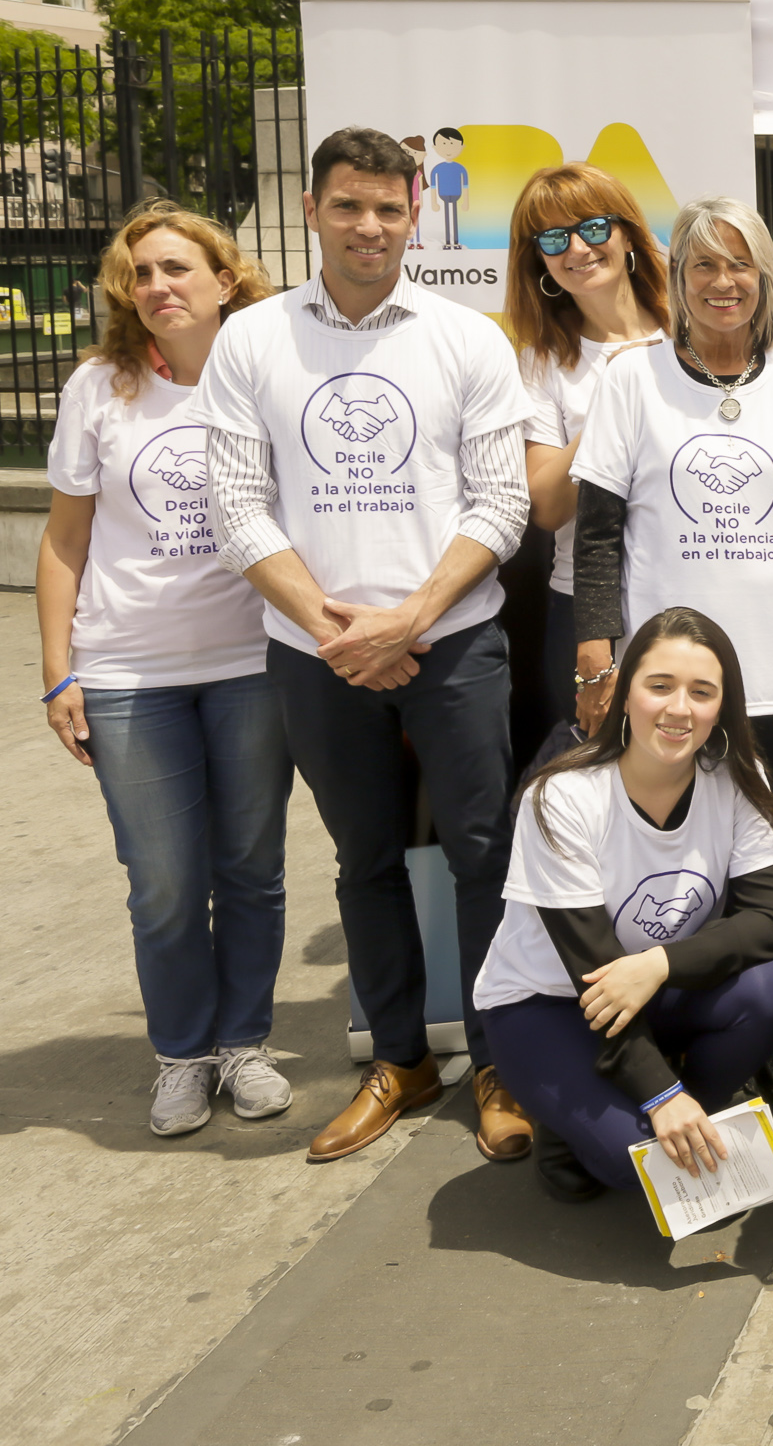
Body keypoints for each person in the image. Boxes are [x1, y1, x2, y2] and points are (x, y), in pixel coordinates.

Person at [193, 128, 538, 1166]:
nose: (370, 225)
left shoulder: (466, 337)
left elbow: (503, 501)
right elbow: (237, 505)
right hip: (314, 653)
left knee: (484, 855)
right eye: (349, 205)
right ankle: (399, 1058)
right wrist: (336, 629)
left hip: (455, 641)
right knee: (364, 861)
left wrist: (411, 617)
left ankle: (499, 1057)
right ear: (311, 209)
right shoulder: (252, 341)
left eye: (389, 208)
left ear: (414, 216)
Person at [573, 196, 773, 1135]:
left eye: (740, 266)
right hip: (666, 685)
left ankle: (766, 1043)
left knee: (765, 868)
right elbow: (598, 538)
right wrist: (597, 660)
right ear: (677, 279)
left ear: (766, 281)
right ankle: (657, 1037)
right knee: (672, 854)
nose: (723, 284)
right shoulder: (633, 383)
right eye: (703, 266)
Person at [40, 204, 293, 1139]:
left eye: (177, 268)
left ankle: (245, 1046)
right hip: (127, 673)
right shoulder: (98, 390)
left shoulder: (269, 379)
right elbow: (64, 544)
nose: (157, 288)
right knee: (165, 880)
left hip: (253, 665)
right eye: (141, 274)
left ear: (225, 280)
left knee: (253, 869)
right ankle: (182, 1056)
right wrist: (59, 673)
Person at [473, 608, 773, 1202]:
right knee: (643, 1175)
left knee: (768, 991)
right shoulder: (562, 797)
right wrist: (660, 1096)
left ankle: (673, 1113)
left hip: (649, 987)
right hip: (549, 1005)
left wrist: (658, 965)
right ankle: (586, 1123)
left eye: (702, 692)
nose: (680, 708)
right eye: (659, 687)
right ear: (624, 694)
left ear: (722, 707)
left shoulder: (738, 775)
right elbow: (593, 976)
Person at [506, 165, 669, 731]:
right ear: (540, 262)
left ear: (627, 235)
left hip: (692, 583)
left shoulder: (695, 334)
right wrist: (612, 401)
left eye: (593, 227)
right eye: (552, 239)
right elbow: (548, 506)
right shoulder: (540, 361)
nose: (576, 248)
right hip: (584, 606)